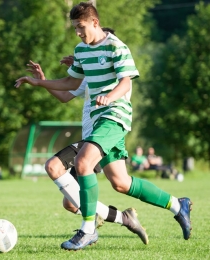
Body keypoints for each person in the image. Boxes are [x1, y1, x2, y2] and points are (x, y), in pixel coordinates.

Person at [15, 2, 192, 251]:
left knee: (83, 163)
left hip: (114, 117)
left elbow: (126, 82)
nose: (77, 32)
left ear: (95, 22)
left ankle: (88, 230)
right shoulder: (82, 51)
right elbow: (68, 83)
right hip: (98, 124)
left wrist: (110, 97)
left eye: (81, 26)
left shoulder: (117, 47)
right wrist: (39, 83)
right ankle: (177, 205)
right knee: (120, 182)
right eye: (75, 27)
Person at [26, 33, 148, 246]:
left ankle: (92, 226)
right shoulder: (88, 80)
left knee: (55, 168)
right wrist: (43, 82)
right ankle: (124, 219)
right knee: (71, 204)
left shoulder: (113, 77)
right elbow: (64, 95)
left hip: (99, 139)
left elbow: (123, 84)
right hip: (90, 140)